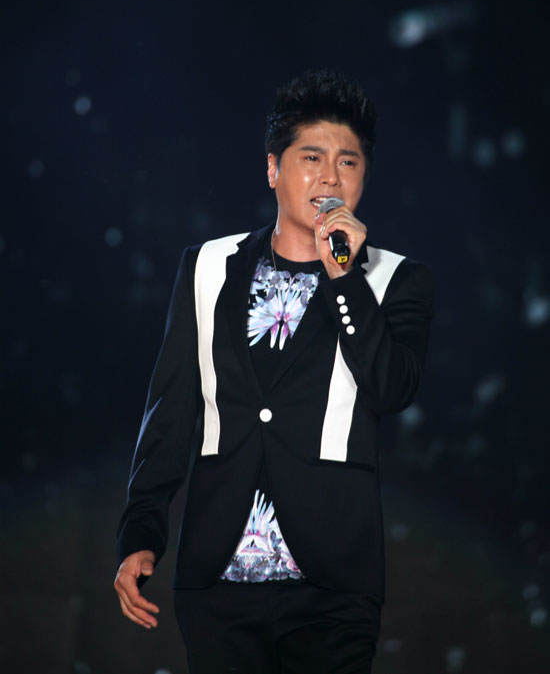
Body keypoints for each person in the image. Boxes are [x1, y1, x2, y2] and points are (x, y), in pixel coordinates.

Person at [114, 69, 433, 673]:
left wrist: (344, 275)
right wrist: (140, 534)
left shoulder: (396, 280)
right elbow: (171, 411)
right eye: (312, 157)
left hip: (333, 586)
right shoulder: (208, 266)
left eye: (348, 162)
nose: (330, 176)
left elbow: (392, 388)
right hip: (218, 580)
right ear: (272, 168)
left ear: (364, 177)